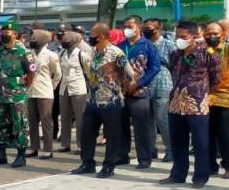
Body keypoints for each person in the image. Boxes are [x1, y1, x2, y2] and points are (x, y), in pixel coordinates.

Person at [160, 20, 221, 188]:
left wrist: (203, 95)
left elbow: (216, 79)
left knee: (201, 143)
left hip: (197, 105)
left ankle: (200, 177)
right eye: (177, 36)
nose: (179, 39)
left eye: (183, 36)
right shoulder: (175, 54)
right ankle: (178, 175)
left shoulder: (208, 54)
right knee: (178, 142)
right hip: (175, 104)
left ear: (194, 36)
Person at [72, 22, 133, 178]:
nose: (90, 37)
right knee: (87, 132)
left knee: (112, 135)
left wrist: (119, 92)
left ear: (101, 36)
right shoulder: (92, 52)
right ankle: (87, 163)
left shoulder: (116, 53)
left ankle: (108, 165)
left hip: (111, 101)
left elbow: (128, 76)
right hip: (92, 100)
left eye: (92, 35)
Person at [0, 21, 37, 168]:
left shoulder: (24, 52)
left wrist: (21, 90)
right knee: (0, 123)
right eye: (1, 33)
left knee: (20, 124)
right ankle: (1, 154)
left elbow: (31, 73)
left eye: (6, 33)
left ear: (15, 35)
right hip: (1, 94)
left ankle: (21, 155)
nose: (2, 35)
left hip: (17, 96)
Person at [118, 15, 161, 169]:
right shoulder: (121, 46)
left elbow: (155, 67)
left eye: (130, 26)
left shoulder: (148, 46)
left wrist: (140, 82)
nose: (126, 29)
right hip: (122, 92)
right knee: (121, 125)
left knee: (142, 127)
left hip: (140, 92)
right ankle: (122, 155)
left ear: (138, 27)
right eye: (125, 26)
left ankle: (144, 157)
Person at [204, 22, 229, 179]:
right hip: (204, 99)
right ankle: (210, 166)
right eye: (209, 33)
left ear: (223, 34)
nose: (212, 36)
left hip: (226, 98)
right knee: (207, 134)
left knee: (227, 135)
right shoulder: (203, 51)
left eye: (215, 33)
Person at [143, 18, 175, 162]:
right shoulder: (143, 44)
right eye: (145, 28)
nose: (146, 31)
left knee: (163, 119)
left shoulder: (169, 45)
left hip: (163, 85)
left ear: (158, 28)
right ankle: (151, 149)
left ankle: (170, 149)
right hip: (145, 85)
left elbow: (176, 67)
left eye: (149, 28)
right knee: (148, 120)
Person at [26, 29, 62, 159]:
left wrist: (51, 88)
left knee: (46, 121)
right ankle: (34, 147)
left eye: (35, 38)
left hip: (45, 92)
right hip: (31, 91)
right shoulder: (29, 54)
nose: (32, 41)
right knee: (32, 121)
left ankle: (48, 149)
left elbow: (57, 74)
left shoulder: (51, 55)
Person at [58, 31, 90, 154]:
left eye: (67, 40)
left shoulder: (82, 55)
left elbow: (87, 72)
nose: (65, 42)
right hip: (64, 88)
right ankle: (65, 144)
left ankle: (81, 145)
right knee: (64, 117)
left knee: (80, 118)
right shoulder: (61, 54)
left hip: (78, 88)